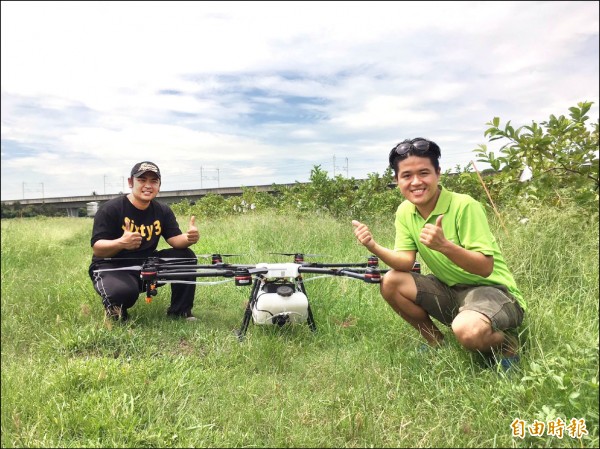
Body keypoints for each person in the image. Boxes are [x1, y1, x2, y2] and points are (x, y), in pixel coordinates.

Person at [352, 138, 526, 369]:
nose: (416, 182)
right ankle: (436, 343)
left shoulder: (465, 205)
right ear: (396, 181)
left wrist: (445, 245)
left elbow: (485, 267)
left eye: (424, 173)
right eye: (406, 176)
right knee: (391, 281)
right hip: (450, 289)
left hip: (493, 291)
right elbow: (404, 263)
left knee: (468, 332)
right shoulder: (405, 211)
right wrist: (373, 245)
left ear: (438, 174)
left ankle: (506, 344)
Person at [89, 161, 200, 322]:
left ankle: (181, 312)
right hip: (111, 266)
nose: (148, 185)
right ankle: (116, 312)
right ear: (130, 182)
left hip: (146, 265)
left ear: (159, 185)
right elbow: (98, 249)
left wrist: (189, 238)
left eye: (153, 181)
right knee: (123, 293)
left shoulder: (162, 210)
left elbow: (176, 241)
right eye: (142, 180)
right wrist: (121, 242)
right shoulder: (111, 209)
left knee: (185, 256)